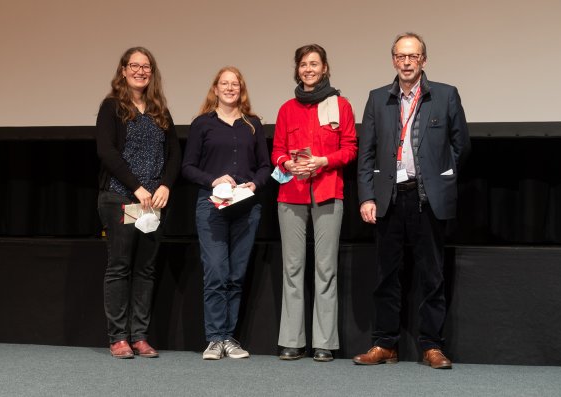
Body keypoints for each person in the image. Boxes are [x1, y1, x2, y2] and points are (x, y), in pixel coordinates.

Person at [353, 32, 471, 369]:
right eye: (401, 56)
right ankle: (384, 344)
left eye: (413, 56)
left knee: (432, 276)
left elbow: (461, 146)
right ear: (393, 60)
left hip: (427, 199)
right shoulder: (378, 99)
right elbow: (367, 153)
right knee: (386, 277)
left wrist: (440, 179)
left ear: (423, 60)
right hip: (389, 199)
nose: (407, 62)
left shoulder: (445, 95)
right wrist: (367, 196)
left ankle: (432, 346)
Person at [271, 44, 357, 362]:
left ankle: (324, 342)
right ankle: (292, 340)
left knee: (325, 269)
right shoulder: (286, 109)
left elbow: (349, 149)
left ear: (324, 68)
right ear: (297, 69)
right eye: (303, 64)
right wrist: (286, 163)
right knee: (292, 269)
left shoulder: (341, 105)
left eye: (314, 64)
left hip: (328, 191)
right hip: (291, 194)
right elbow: (277, 150)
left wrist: (323, 160)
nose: (309, 69)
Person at [95, 47, 181, 359]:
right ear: (123, 70)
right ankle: (118, 337)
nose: (140, 71)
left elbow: (174, 154)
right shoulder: (112, 107)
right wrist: (138, 187)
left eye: (146, 67)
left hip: (153, 204)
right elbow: (107, 152)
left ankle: (140, 336)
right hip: (120, 197)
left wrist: (165, 186)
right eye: (134, 65)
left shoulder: (160, 110)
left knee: (145, 269)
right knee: (120, 267)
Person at [181, 66, 271, 360]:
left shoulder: (253, 124)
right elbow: (188, 167)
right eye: (225, 83)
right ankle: (214, 339)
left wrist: (254, 185)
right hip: (212, 206)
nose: (230, 88)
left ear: (241, 89)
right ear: (216, 89)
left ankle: (229, 338)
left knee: (235, 275)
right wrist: (214, 180)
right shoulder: (202, 124)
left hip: (246, 207)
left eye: (235, 84)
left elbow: (265, 167)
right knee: (216, 273)